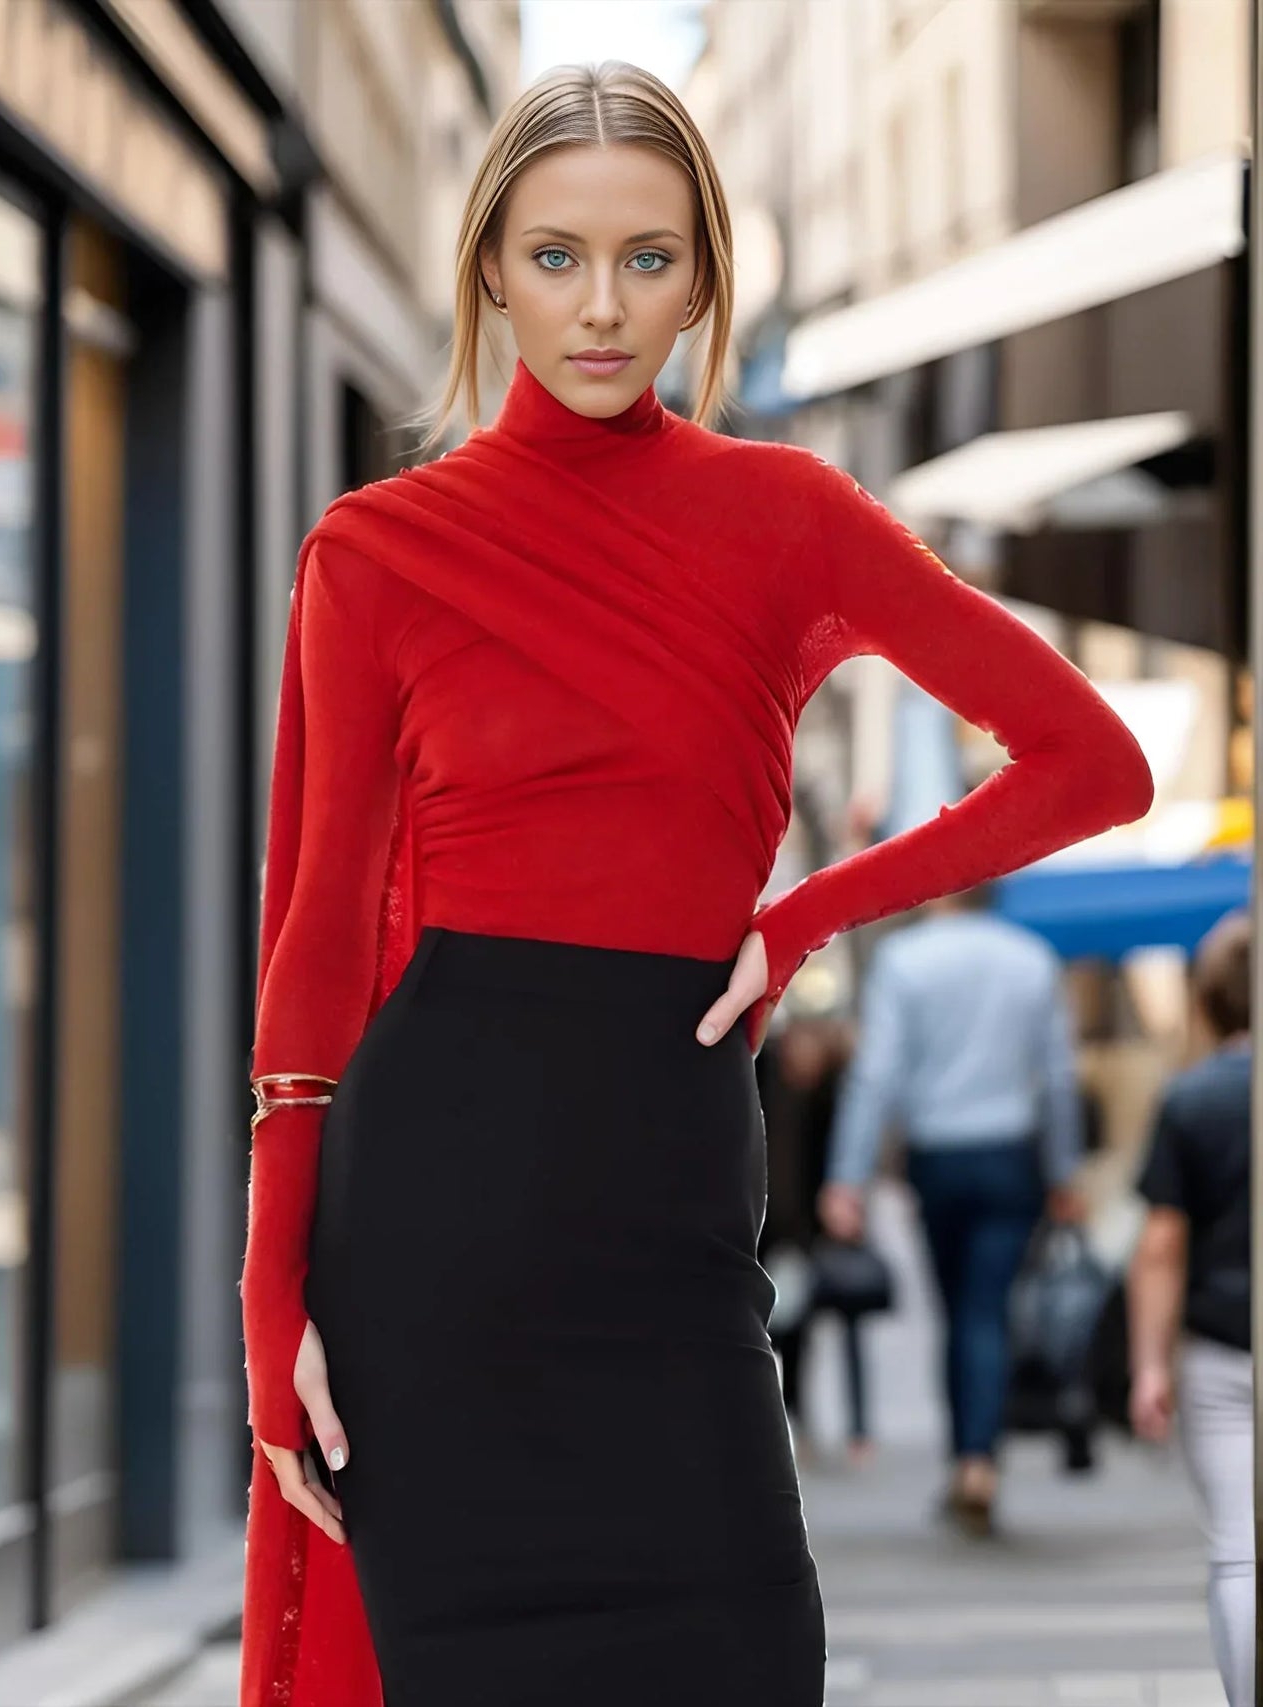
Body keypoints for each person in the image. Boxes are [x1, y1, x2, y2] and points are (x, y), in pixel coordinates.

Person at [236, 60, 1154, 1707]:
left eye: (648, 259)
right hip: (431, 1239)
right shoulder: (373, 554)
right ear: (489, 274)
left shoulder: (788, 515)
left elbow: (1092, 761)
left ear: (706, 283)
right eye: (556, 256)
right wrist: (268, 1309)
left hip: (672, 1231)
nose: (601, 306)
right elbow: (309, 946)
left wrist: (807, 914)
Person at [818, 886, 1089, 1536]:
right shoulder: (1031, 958)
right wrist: (1064, 1168)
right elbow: (1056, 1075)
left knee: (955, 1306)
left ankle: (966, 1457)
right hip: (1009, 1152)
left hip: (937, 1154)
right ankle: (978, 1459)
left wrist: (846, 1175)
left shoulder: (903, 961)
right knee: (986, 1306)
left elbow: (875, 1072)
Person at [1128, 908, 1252, 1707]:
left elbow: (1161, 1247)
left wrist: (1147, 1366)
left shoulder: (1193, 1098)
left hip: (1222, 1346)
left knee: (1239, 1554)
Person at [756, 1011, 876, 1467]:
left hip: (809, 1230)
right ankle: (777, 1415)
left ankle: (829, 1420)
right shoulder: (762, 1083)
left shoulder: (829, 1097)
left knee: (808, 1327)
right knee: (770, 1322)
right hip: (764, 1227)